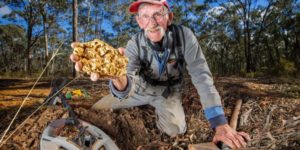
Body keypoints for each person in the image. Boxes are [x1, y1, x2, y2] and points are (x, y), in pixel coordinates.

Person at [70, 0, 250, 148]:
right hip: (140, 88)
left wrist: (219, 123)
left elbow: (201, 75)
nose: (153, 22)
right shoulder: (134, 44)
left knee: (175, 130)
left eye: (158, 14)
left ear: (169, 17)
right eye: (146, 16)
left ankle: (156, 109)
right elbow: (128, 80)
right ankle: (140, 104)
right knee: (96, 111)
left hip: (168, 92)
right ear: (139, 21)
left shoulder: (184, 36)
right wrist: (117, 77)